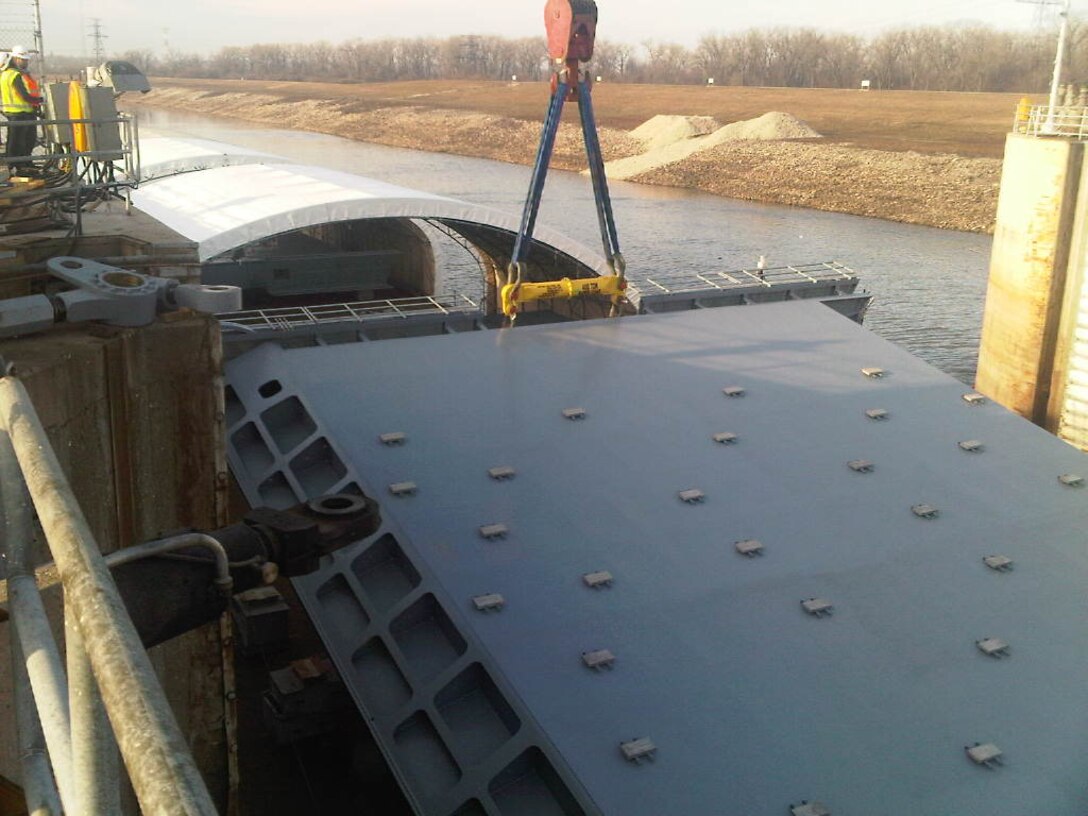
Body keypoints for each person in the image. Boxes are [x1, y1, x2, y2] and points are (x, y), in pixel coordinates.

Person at [1, 46, 42, 174]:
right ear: (16, 59)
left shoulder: (5, 74)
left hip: (14, 112)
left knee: (16, 140)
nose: (25, 62)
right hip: (21, 112)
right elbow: (24, 95)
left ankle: (18, 164)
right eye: (23, 60)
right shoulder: (15, 75)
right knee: (23, 140)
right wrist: (39, 101)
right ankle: (21, 165)